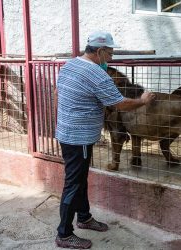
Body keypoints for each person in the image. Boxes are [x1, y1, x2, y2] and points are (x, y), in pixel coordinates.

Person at [54, 31, 155, 249]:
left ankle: (84, 217)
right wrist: (143, 100)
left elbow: (60, 93)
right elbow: (120, 104)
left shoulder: (70, 65)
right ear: (99, 51)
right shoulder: (96, 74)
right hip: (78, 137)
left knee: (79, 179)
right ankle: (64, 233)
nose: (111, 58)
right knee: (73, 183)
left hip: (67, 132)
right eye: (109, 53)